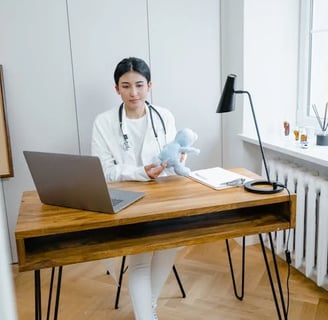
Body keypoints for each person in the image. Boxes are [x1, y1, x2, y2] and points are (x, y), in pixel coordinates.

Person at [91, 57, 181, 320]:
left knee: (171, 242)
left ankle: (148, 306)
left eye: (139, 85)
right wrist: (140, 173)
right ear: (116, 89)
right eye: (126, 86)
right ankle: (147, 315)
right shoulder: (104, 122)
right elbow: (104, 172)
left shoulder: (164, 116)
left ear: (150, 85)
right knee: (141, 259)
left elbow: (173, 159)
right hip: (125, 200)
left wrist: (179, 160)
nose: (134, 93)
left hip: (163, 197)